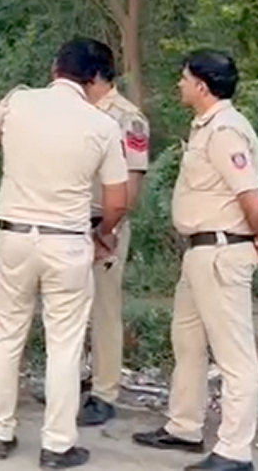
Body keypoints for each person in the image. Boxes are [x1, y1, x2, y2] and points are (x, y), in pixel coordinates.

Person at [0, 38, 129, 469]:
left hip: (14, 235)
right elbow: (117, 200)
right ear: (94, 78)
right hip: (68, 241)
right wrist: (104, 234)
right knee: (65, 344)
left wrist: (7, 104)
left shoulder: (19, 102)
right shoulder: (102, 125)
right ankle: (57, 444)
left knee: (5, 335)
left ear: (54, 67)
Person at [133, 51, 258, 471]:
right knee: (187, 342)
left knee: (234, 357)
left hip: (221, 253)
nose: (179, 84)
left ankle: (235, 452)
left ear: (202, 86)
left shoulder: (224, 131)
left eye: (184, 78)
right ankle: (184, 426)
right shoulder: (207, 126)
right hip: (201, 253)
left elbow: (251, 199)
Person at [78, 41, 150, 426]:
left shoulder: (126, 117)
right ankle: (72, 379)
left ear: (93, 74)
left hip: (105, 225)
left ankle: (104, 392)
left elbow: (131, 181)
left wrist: (110, 229)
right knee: (69, 307)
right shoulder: (76, 111)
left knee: (104, 309)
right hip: (70, 224)